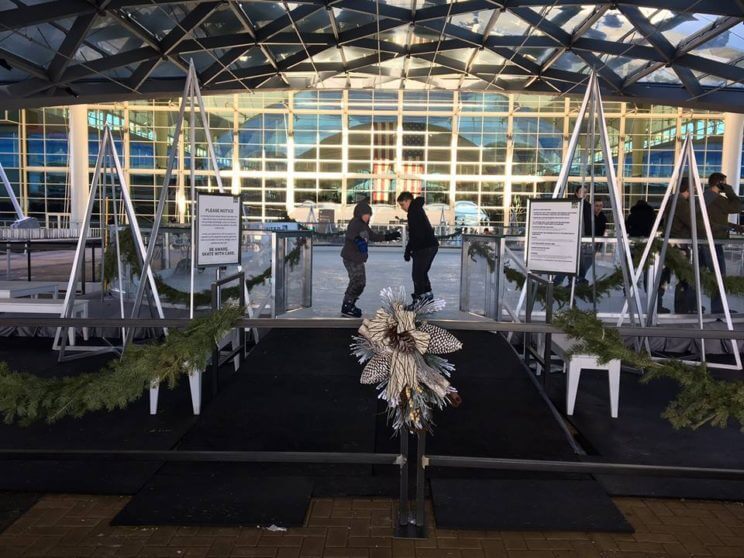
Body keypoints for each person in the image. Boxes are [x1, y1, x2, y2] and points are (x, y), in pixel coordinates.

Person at [340, 199, 401, 317]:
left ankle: (349, 303)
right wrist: (358, 241)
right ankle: (347, 305)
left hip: (357, 258)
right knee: (357, 282)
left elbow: (373, 236)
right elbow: (351, 235)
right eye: (366, 214)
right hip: (351, 258)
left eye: (369, 215)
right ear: (359, 214)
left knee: (359, 282)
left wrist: (389, 236)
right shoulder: (355, 223)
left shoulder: (363, 225)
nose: (368, 217)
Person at [701, 172, 741, 314]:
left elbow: (714, 219)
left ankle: (690, 306)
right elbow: (737, 207)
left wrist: (732, 226)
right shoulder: (718, 199)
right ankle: (718, 308)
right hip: (713, 241)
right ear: (719, 184)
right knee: (719, 275)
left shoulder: (705, 196)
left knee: (698, 273)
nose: (726, 185)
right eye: (724, 182)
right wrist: (730, 191)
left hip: (703, 239)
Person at [397, 191, 439, 307]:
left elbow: (416, 234)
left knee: (417, 274)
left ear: (408, 201)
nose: (402, 208)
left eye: (402, 205)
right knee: (422, 272)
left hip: (425, 247)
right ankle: (427, 294)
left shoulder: (413, 212)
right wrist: (410, 249)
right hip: (429, 246)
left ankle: (419, 299)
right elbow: (415, 233)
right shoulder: (416, 209)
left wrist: (410, 250)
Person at [667, 178, 699, 313]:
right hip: (679, 242)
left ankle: (685, 306)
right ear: (688, 188)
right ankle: (683, 307)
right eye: (695, 187)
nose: (696, 190)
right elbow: (691, 222)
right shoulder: (680, 202)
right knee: (685, 275)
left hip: (675, 241)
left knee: (682, 275)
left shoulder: (674, 200)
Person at [553, 185, 593, 286]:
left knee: (576, 263)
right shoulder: (571, 203)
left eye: (585, 192)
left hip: (583, 238)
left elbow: (589, 222)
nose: (584, 194)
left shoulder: (587, 206)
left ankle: (571, 282)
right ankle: (560, 282)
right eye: (581, 192)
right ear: (576, 193)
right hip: (571, 237)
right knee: (571, 262)